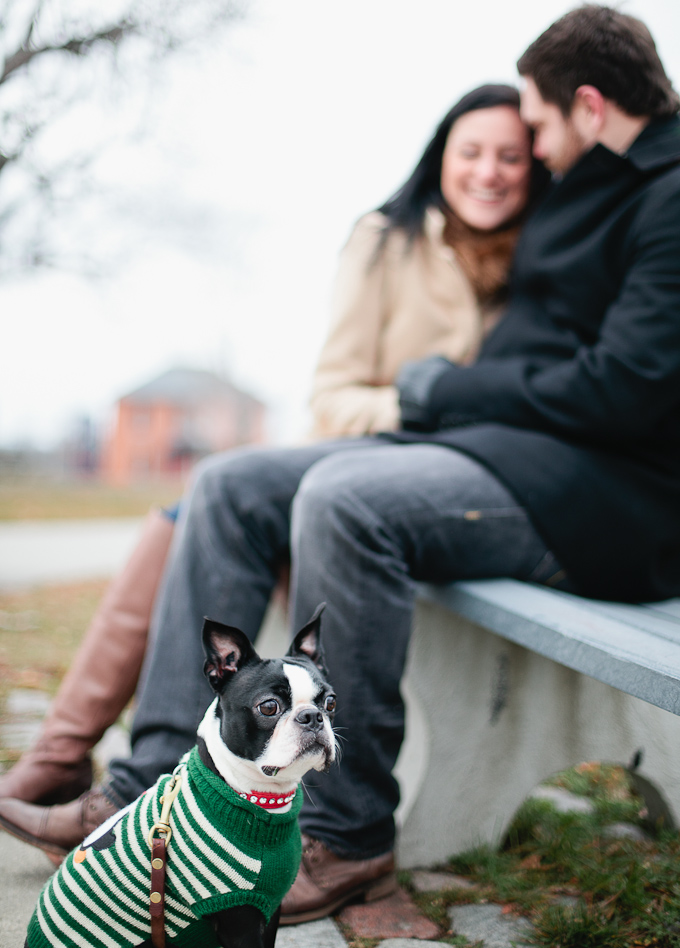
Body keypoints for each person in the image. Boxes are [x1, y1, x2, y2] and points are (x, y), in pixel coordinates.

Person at [7, 0, 680, 927]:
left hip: (600, 500)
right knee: (230, 482)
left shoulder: (665, 193)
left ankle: (351, 831)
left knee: (345, 497)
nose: (529, 144)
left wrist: (444, 389)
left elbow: (624, 388)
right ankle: (150, 791)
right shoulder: (595, 183)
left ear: (591, 107)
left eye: (536, 122)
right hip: (514, 454)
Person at [0, 84, 542, 809]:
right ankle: (126, 770)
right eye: (470, 151)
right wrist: (429, 410)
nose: (489, 171)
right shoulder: (387, 239)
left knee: (191, 510)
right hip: (369, 446)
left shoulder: (541, 260)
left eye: (511, 155)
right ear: (440, 157)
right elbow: (333, 395)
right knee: (211, 493)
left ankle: (77, 759)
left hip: (457, 483)